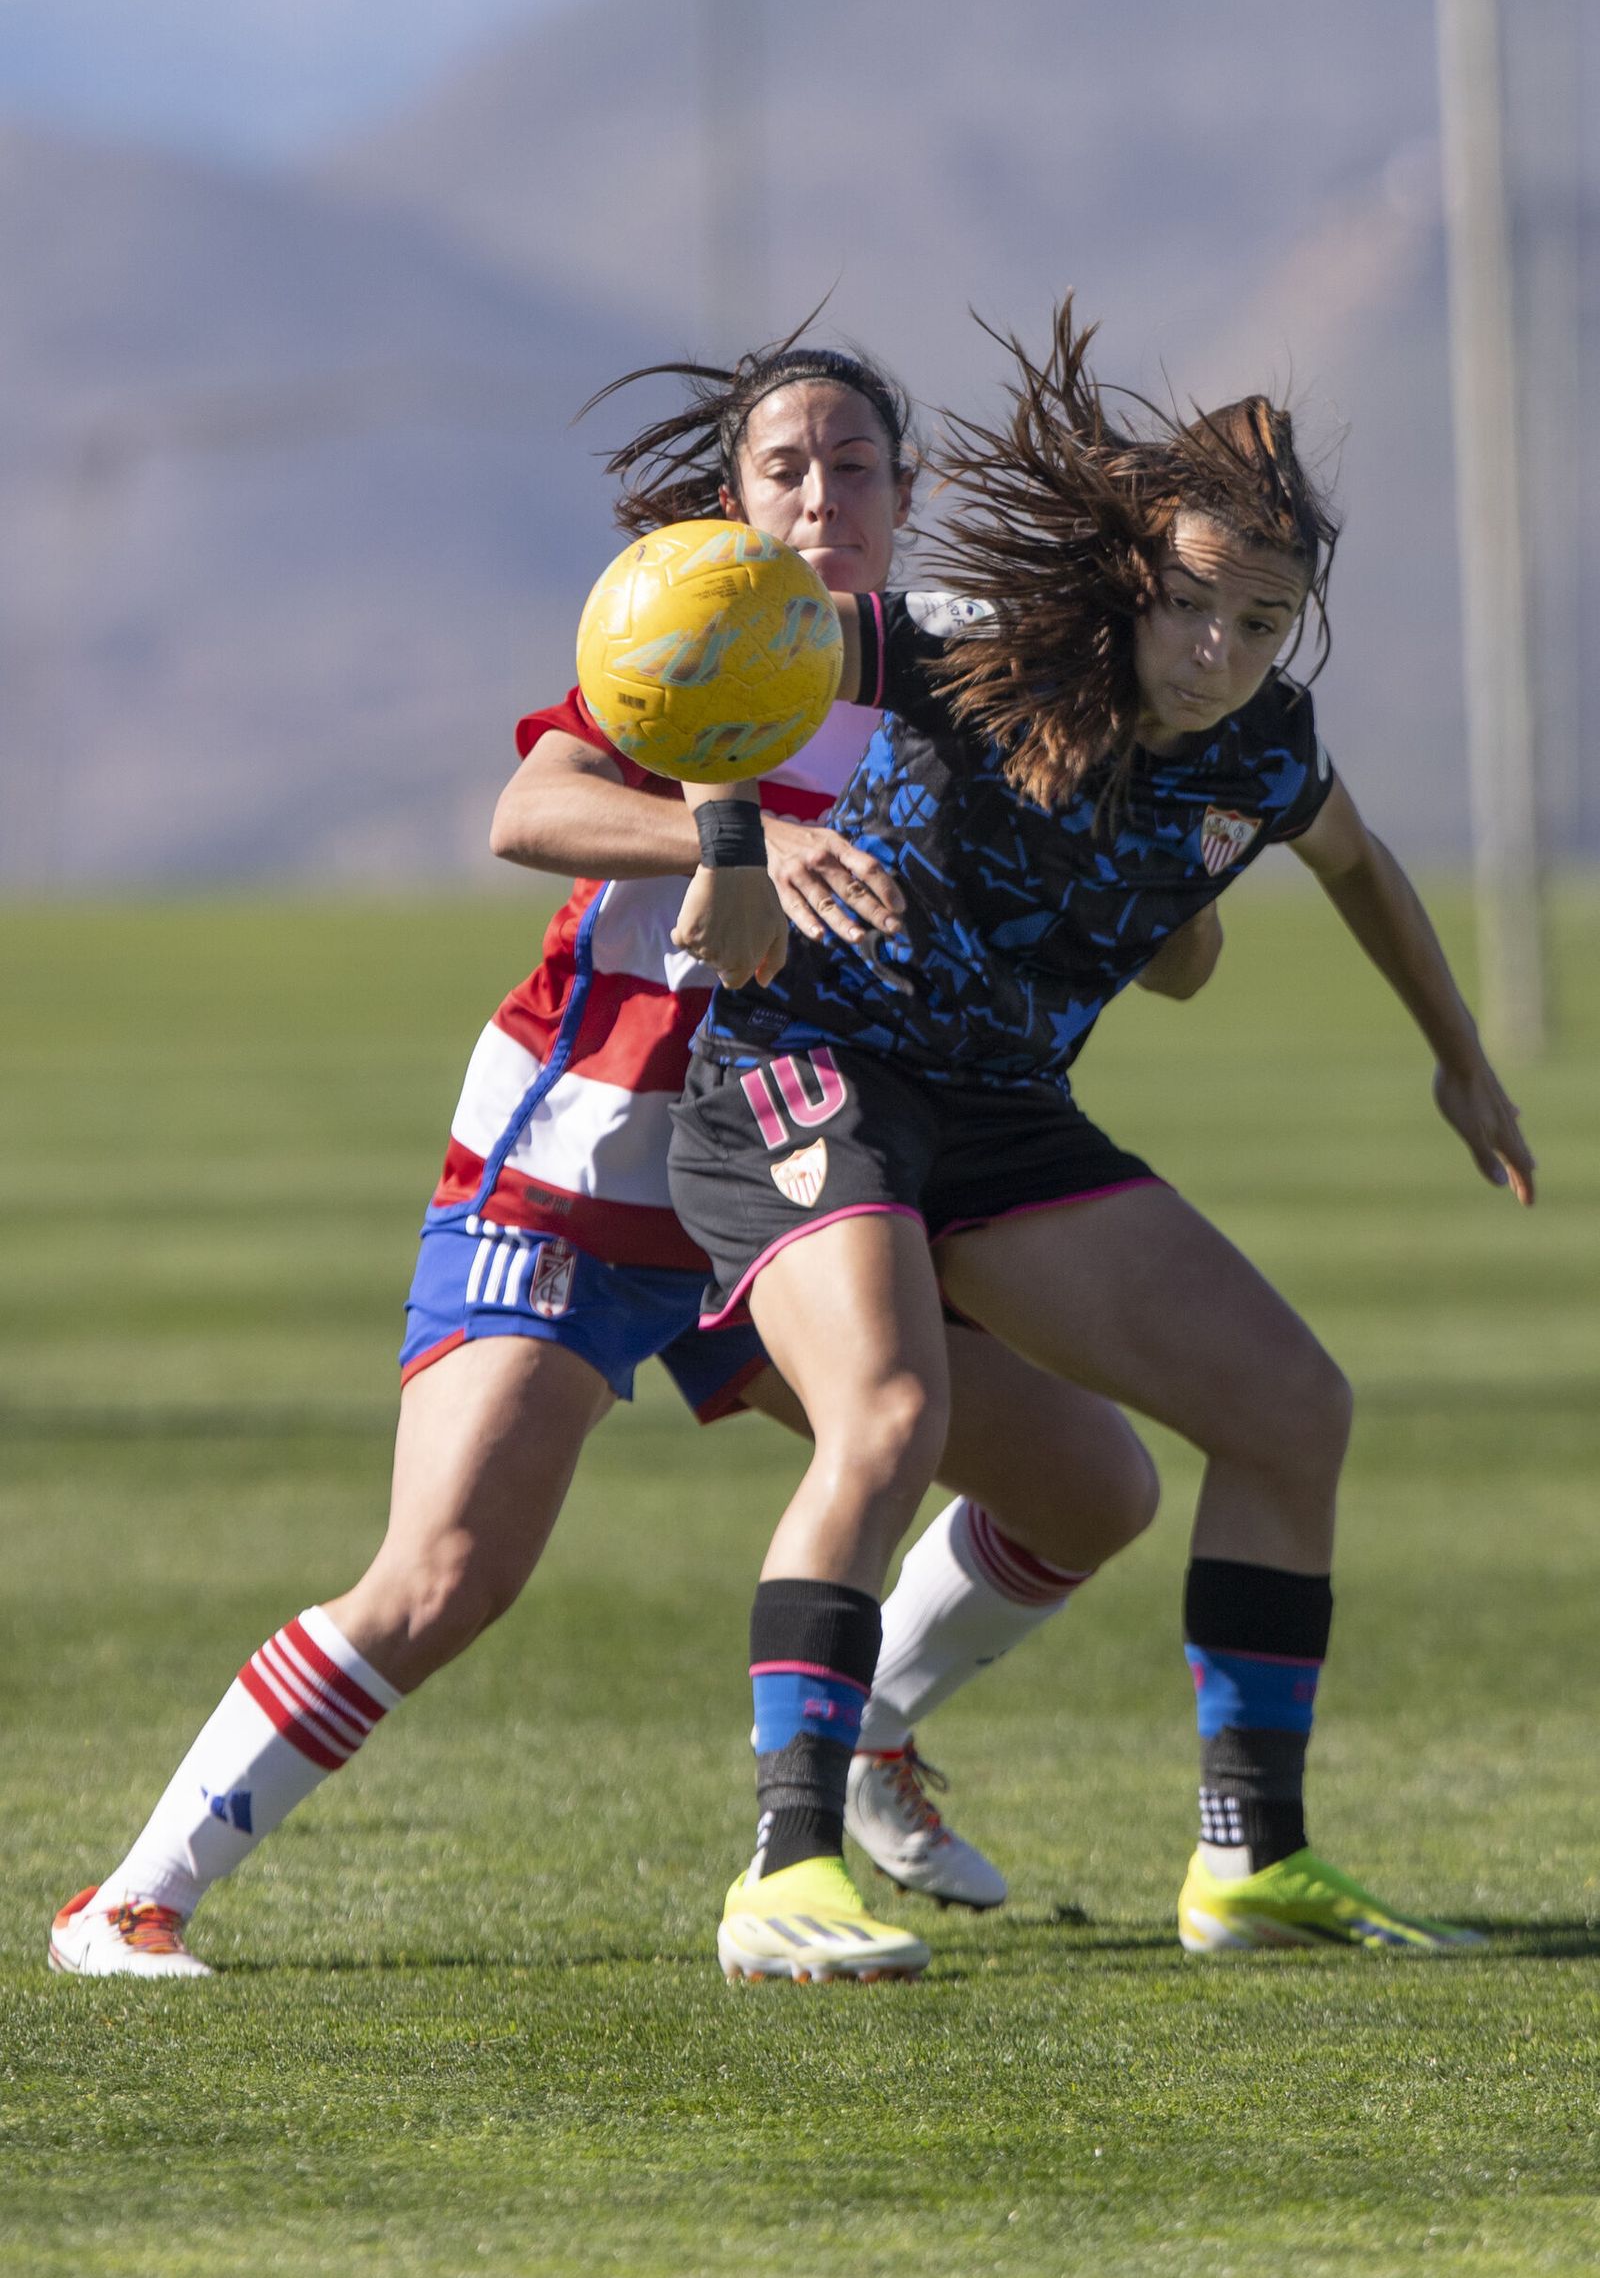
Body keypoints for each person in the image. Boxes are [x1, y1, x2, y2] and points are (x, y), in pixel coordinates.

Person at [48, 330, 1180, 1980]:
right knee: (444, 1577)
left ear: (907, 493)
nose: (817, 497)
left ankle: (862, 1739)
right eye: (783, 468)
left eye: (851, 465)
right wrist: (740, 830)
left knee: (1091, 1483)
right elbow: (530, 809)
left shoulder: (961, 667)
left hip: (790, 1169)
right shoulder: (703, 625)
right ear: (731, 499)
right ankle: (129, 1901)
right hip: (579, 1163)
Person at [667, 297, 1536, 1983]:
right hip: (808, 1068)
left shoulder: (1267, 744)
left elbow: (1359, 865)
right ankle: (784, 1870)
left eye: (1263, 623)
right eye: (1191, 607)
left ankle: (1249, 1862)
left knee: (1292, 1409)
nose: (1219, 650)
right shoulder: (969, 639)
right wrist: (726, 843)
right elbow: (712, 643)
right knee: (894, 1410)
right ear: (1132, 580)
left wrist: (1462, 1062)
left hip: (998, 1116)